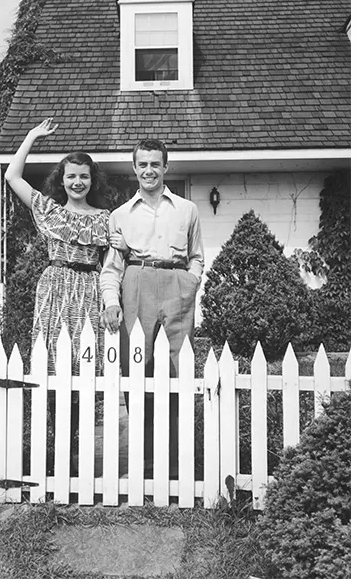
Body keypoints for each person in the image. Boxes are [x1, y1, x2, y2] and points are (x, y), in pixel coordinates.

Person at [99, 138, 205, 476]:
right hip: (137, 283)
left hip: (176, 283)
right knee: (137, 368)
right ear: (134, 169)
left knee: (178, 368)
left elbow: (197, 256)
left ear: (165, 167)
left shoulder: (188, 209)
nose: (149, 170)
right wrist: (112, 302)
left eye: (155, 164)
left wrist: (190, 282)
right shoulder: (120, 216)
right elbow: (112, 268)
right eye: (142, 164)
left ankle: (175, 461)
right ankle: (144, 460)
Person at [4, 117, 124, 371]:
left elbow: (113, 263)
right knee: (52, 352)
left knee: (89, 352)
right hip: (54, 284)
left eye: (84, 176)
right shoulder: (50, 211)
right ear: (62, 180)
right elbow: (12, 177)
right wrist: (32, 137)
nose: (77, 182)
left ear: (92, 181)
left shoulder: (105, 217)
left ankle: (87, 409)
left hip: (90, 287)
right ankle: (54, 409)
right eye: (71, 176)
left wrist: (122, 245)